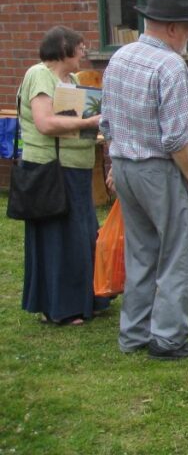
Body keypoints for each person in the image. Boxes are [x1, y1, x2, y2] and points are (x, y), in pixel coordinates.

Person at [101, 0, 188, 360]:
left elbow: (106, 121)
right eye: (186, 29)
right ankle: (167, 337)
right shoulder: (170, 67)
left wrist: (114, 166)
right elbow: (177, 137)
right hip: (160, 170)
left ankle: (134, 333)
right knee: (179, 252)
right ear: (171, 28)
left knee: (142, 251)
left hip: (125, 165)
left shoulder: (120, 56)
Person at [17, 26, 107, 326]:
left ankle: (88, 299)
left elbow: (75, 124)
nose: (84, 52)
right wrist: (88, 121)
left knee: (83, 237)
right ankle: (59, 307)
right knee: (59, 240)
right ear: (64, 47)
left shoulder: (76, 80)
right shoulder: (39, 75)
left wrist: (94, 130)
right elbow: (44, 122)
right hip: (50, 170)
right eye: (80, 47)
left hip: (77, 168)